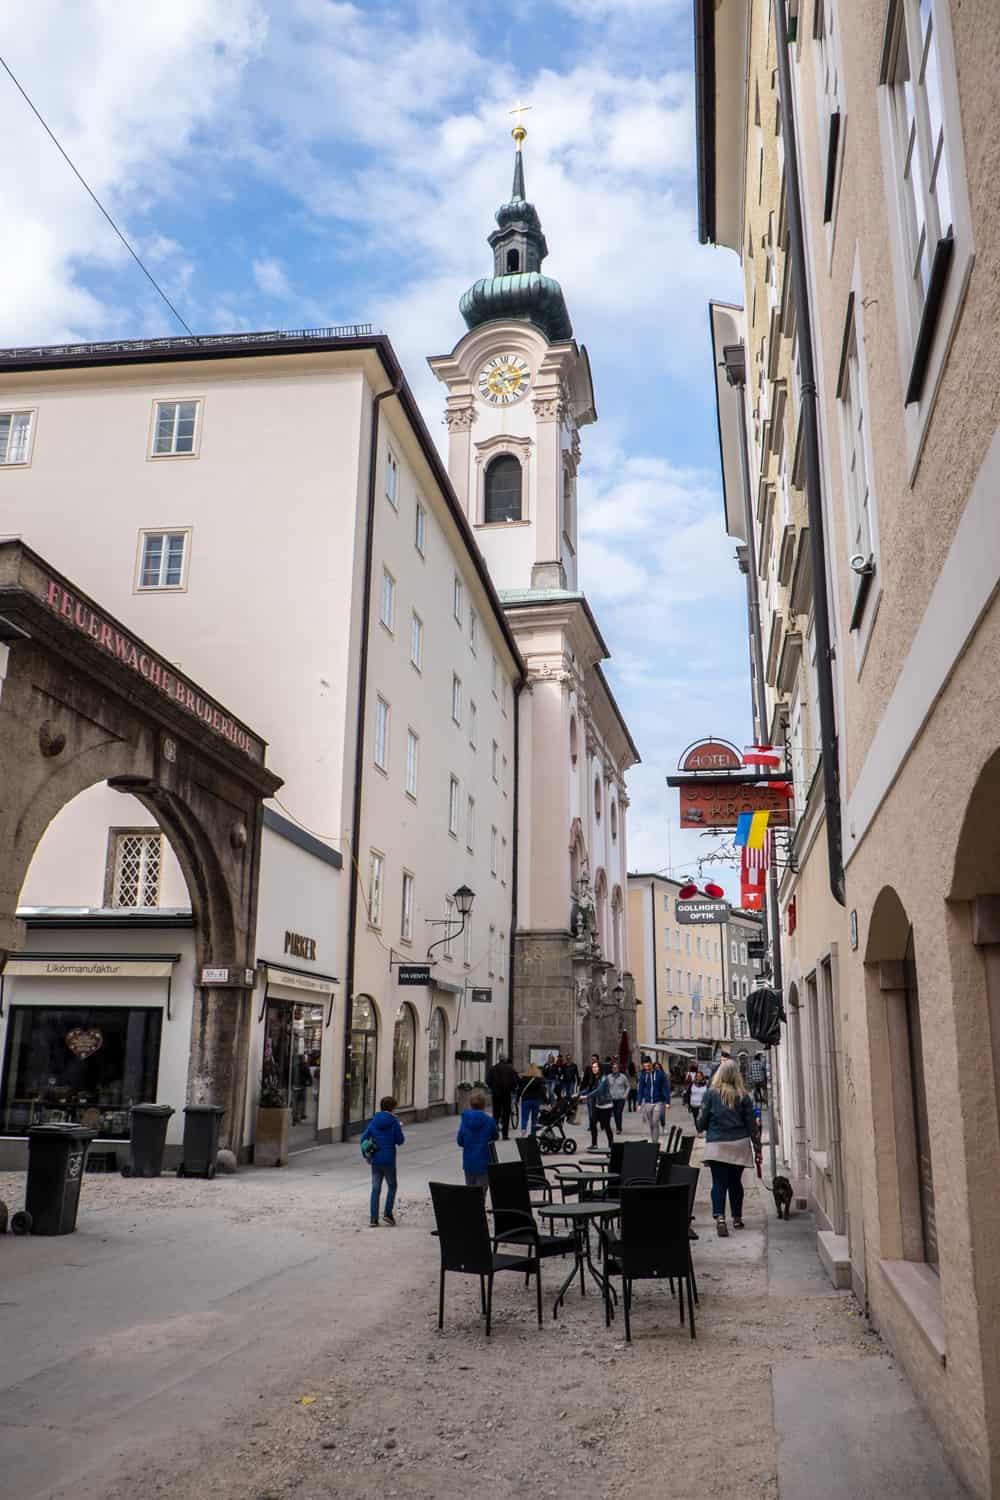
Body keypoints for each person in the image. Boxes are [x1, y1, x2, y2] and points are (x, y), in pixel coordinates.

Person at [696, 1059, 761, 1236]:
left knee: (718, 1182)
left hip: (717, 1144)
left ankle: (720, 1217)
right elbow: (751, 1125)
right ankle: (737, 1217)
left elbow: (700, 1123)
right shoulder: (743, 1096)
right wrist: (757, 1148)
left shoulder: (710, 1094)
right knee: (735, 1182)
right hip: (738, 1144)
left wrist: (704, 1123)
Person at [360, 1095, 405, 1227]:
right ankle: (387, 1214)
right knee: (392, 1186)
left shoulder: (374, 1121)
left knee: (375, 1189)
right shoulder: (394, 1122)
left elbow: (363, 1138)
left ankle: (373, 1219)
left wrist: (366, 1154)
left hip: (376, 1159)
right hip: (389, 1159)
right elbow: (400, 1141)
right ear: (392, 1108)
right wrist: (399, 1128)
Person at [457, 1090, 499, 1189]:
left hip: (469, 1163)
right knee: (481, 1193)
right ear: (484, 1105)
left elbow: (460, 1141)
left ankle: (472, 1205)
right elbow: (495, 1136)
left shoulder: (465, 1120)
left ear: (471, 1105)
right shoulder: (489, 1120)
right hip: (485, 1162)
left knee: (470, 1192)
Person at [579, 1060, 614, 1149]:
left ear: (600, 1068)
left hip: (606, 1106)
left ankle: (611, 1145)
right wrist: (579, 1094)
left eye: (596, 1067)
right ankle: (594, 1144)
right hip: (598, 1105)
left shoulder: (604, 1078)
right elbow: (589, 1088)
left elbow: (599, 1090)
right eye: (593, 1067)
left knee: (606, 1126)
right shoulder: (595, 1078)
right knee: (592, 1124)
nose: (594, 1069)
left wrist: (586, 1097)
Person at [636, 1057, 671, 1144]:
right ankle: (653, 1141)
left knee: (655, 1122)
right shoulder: (643, 1075)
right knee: (651, 1124)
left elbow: (665, 1088)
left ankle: (655, 1144)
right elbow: (640, 1090)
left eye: (648, 1066)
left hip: (658, 1101)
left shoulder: (660, 1074)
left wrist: (667, 1101)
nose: (647, 1068)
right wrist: (639, 1103)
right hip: (648, 1102)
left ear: (651, 1064)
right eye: (645, 1067)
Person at [485, 1055, 519, 1140]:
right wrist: (513, 1089)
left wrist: (493, 1088)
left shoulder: (492, 1069)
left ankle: (494, 1134)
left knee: (495, 1114)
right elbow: (515, 1081)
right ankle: (505, 1135)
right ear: (505, 1059)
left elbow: (488, 1081)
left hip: (496, 1095)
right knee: (506, 1114)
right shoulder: (510, 1069)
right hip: (506, 1094)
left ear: (499, 1059)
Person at [518, 1065, 546, 1136]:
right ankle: (533, 1133)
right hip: (536, 1101)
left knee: (524, 1117)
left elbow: (519, 1090)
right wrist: (545, 1100)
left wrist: (517, 1098)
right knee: (534, 1118)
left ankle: (523, 1131)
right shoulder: (539, 1079)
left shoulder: (523, 1079)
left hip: (526, 1100)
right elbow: (542, 1091)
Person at [607, 1061, 630, 1134]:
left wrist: (625, 1094)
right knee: (615, 1113)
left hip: (621, 1098)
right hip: (612, 1098)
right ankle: (618, 1126)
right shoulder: (609, 1077)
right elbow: (606, 1087)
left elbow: (628, 1086)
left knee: (618, 1112)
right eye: (613, 1068)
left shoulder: (623, 1077)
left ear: (618, 1069)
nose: (615, 1069)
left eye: (616, 1068)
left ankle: (618, 1128)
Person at [291, 1052, 313, 1124]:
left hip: (295, 1086)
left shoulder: (294, 1066)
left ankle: (295, 1116)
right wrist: (310, 1082)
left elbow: (289, 1075)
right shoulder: (304, 1066)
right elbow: (308, 1075)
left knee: (295, 1102)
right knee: (301, 1101)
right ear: (303, 1059)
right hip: (302, 1086)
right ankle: (300, 1115)